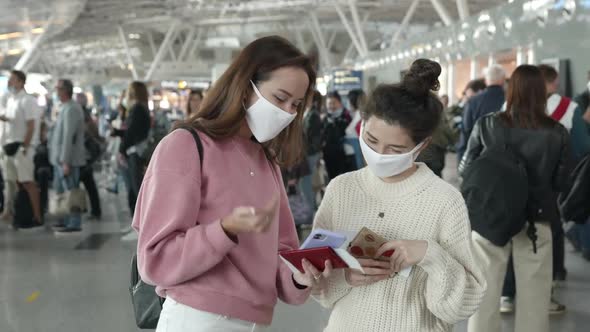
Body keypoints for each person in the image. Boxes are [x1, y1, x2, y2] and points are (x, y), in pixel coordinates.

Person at [133, 36, 331, 332]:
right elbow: (155, 260)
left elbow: (280, 253)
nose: (288, 112)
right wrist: (223, 230)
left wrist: (299, 275)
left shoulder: (266, 161)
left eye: (296, 105)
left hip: (255, 321)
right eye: (279, 98)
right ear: (245, 86)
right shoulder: (186, 146)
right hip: (198, 318)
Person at [312, 59, 486, 332]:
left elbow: (458, 307)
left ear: (422, 145)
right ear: (363, 124)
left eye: (394, 149)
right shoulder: (341, 189)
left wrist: (431, 255)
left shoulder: (444, 201)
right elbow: (321, 290)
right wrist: (345, 277)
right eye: (370, 140)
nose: (379, 154)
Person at [462, 65, 570, 332]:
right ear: (542, 93)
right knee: (535, 294)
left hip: (490, 215)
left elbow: (467, 168)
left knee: (485, 290)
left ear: (511, 91)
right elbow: (562, 181)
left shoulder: (487, 124)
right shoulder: (556, 132)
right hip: (537, 218)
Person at [0, 70, 43, 226]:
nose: (9, 82)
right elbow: (12, 121)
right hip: (10, 145)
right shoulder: (12, 100)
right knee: (16, 182)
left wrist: (25, 146)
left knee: (28, 182)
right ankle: (20, 213)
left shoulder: (28, 100)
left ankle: (37, 216)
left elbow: (31, 126)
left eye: (12, 79)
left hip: (23, 146)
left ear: (20, 82)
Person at [111, 82, 151, 241]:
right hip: (135, 152)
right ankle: (137, 226)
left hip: (134, 153)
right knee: (134, 189)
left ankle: (140, 228)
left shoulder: (137, 109)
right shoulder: (141, 109)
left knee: (136, 189)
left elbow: (132, 132)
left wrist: (121, 148)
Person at [49, 79, 87, 234]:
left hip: (68, 159)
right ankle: (65, 219)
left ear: (65, 90)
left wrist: (65, 160)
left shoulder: (72, 109)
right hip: (60, 158)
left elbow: (68, 137)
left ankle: (74, 222)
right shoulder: (65, 107)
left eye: (58, 88)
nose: (56, 91)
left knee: (71, 190)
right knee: (63, 192)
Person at [457, 65, 506, 161]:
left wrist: (462, 162)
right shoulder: (510, 99)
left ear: (486, 81)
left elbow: (466, 131)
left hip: (479, 158)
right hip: (505, 159)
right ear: (503, 80)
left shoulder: (473, 101)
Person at [76, 93, 103, 220]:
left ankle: (86, 209)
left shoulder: (83, 117)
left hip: (84, 155)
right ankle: (94, 209)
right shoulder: (88, 117)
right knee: (89, 184)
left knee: (85, 183)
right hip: (88, 155)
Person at [300, 90, 323, 212]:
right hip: (309, 153)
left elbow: (314, 138)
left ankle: (309, 213)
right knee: (308, 183)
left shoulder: (313, 115)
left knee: (307, 184)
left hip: (310, 153)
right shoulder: (309, 113)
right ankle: (311, 209)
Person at [322, 91, 352, 180]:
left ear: (340, 103)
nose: (331, 106)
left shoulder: (347, 116)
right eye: (329, 103)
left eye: (333, 103)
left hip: (344, 156)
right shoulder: (325, 118)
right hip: (328, 155)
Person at [344, 89, 365, 170]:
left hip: (357, 142)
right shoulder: (355, 113)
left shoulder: (359, 113)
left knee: (359, 164)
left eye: (348, 101)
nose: (347, 103)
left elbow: (348, 131)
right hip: (356, 142)